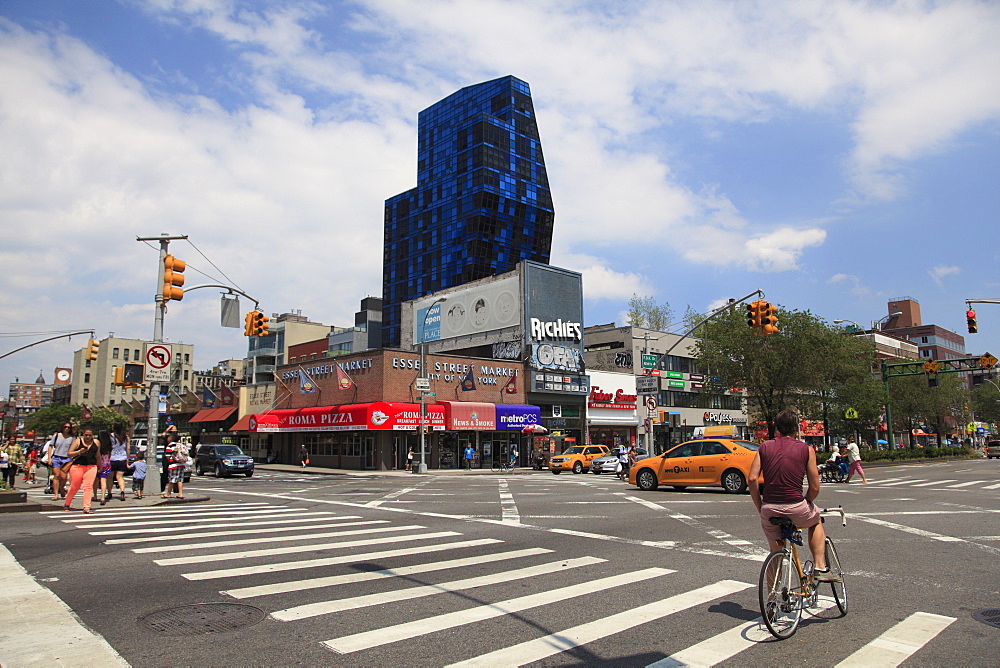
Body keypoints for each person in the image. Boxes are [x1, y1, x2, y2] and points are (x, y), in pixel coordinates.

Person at [748, 410, 837, 581]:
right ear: (796, 429)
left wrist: (760, 506)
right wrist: (807, 501)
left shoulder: (764, 447)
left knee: (774, 551)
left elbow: (752, 478)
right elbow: (815, 487)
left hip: (770, 507)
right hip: (796, 505)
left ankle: (772, 600)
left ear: (777, 428)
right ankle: (819, 565)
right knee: (816, 519)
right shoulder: (806, 449)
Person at [64, 427, 100, 513]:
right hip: (78, 466)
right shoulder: (77, 441)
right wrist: (79, 452)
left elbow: (97, 455)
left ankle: (86, 507)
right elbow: (69, 454)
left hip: (91, 466)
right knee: (74, 486)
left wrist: (100, 466)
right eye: (86, 435)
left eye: (89, 435)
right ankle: (67, 503)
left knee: (88, 486)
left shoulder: (96, 442)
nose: (87, 437)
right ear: (83, 434)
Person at [49, 422, 76, 500]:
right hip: (56, 457)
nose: (66, 429)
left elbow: (74, 448)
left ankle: (61, 487)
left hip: (66, 458)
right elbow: (51, 446)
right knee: (56, 475)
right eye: (65, 427)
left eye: (68, 427)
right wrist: (50, 458)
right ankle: (56, 494)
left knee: (64, 477)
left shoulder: (72, 438)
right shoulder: (57, 435)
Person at [108, 422, 130, 501]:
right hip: (122, 458)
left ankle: (109, 493)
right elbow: (128, 449)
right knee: (120, 477)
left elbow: (109, 447)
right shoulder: (125, 437)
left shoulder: (110, 436)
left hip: (112, 458)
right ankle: (122, 491)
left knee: (110, 477)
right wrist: (127, 458)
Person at [96, 430, 112, 505]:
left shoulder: (97, 444)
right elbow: (110, 454)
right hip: (106, 463)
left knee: (95, 480)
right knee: (103, 480)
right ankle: (102, 497)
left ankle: (95, 495)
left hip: (98, 463)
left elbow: (97, 454)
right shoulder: (109, 444)